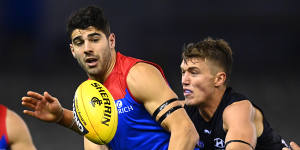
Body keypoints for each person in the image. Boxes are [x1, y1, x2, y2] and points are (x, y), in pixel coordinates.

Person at [21, 6, 199, 150]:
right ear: (72, 51)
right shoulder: (87, 96)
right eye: (79, 42)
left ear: (111, 41)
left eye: (95, 39)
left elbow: (185, 131)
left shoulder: (136, 75)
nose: (87, 48)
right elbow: (98, 134)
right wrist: (62, 117)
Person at [180, 37, 289, 150]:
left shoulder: (238, 110)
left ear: (219, 79)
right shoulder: (183, 111)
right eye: (183, 72)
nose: (184, 81)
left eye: (194, 73)